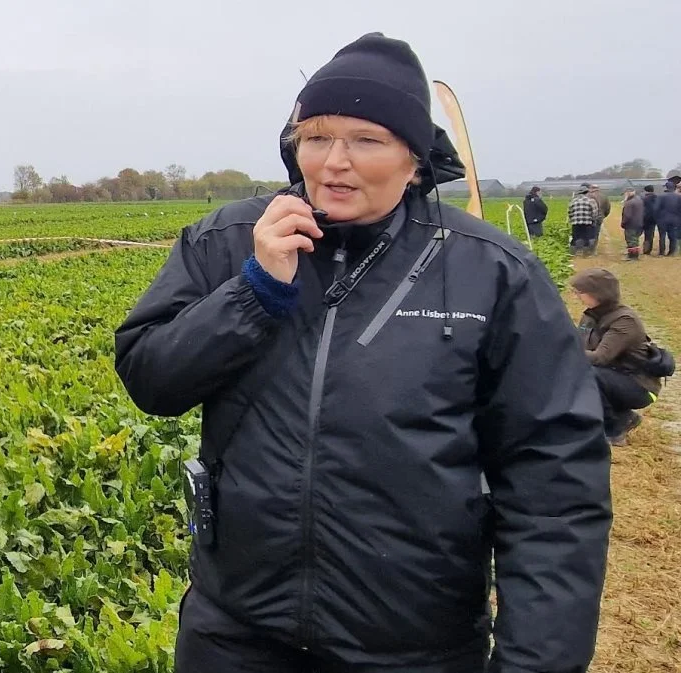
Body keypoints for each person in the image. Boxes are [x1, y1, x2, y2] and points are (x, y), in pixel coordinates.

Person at [115, 32, 610, 673]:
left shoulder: (492, 270)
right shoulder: (229, 239)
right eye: (316, 137)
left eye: (366, 140)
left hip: (414, 648)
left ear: (414, 158)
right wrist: (254, 292)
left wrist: (534, 660)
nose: (333, 162)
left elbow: (554, 486)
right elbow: (153, 379)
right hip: (235, 634)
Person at [571, 268, 661, 445]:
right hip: (613, 377)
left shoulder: (624, 321)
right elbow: (578, 345)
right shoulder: (590, 315)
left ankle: (615, 428)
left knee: (588, 374)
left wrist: (566, 352)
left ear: (598, 294)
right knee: (574, 371)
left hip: (640, 386)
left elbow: (600, 358)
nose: (576, 297)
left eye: (580, 292)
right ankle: (623, 417)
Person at [569, 186, 599, 255]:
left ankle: (576, 252)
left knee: (576, 237)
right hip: (588, 223)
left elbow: (570, 213)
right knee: (588, 238)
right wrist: (593, 220)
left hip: (576, 223)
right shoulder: (591, 201)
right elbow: (595, 213)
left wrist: (572, 220)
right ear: (586, 192)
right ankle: (587, 253)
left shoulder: (573, 201)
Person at [655, 181, 681, 256]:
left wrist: (657, 218)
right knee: (673, 236)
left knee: (662, 236)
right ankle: (671, 252)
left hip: (662, 220)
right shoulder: (678, 197)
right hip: (674, 220)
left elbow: (656, 208)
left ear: (666, 187)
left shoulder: (660, 196)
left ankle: (661, 252)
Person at [621, 187, 645, 260]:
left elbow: (627, 215)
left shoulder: (629, 203)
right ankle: (635, 254)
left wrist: (623, 223)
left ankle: (632, 256)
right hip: (639, 223)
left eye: (625, 193)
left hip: (631, 224)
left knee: (631, 241)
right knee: (635, 240)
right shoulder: (639, 200)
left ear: (628, 193)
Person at [642, 184, 659, 255]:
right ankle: (649, 249)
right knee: (650, 235)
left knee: (646, 235)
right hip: (655, 218)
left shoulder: (644, 199)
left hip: (646, 219)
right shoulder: (657, 198)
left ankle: (646, 250)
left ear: (646, 191)